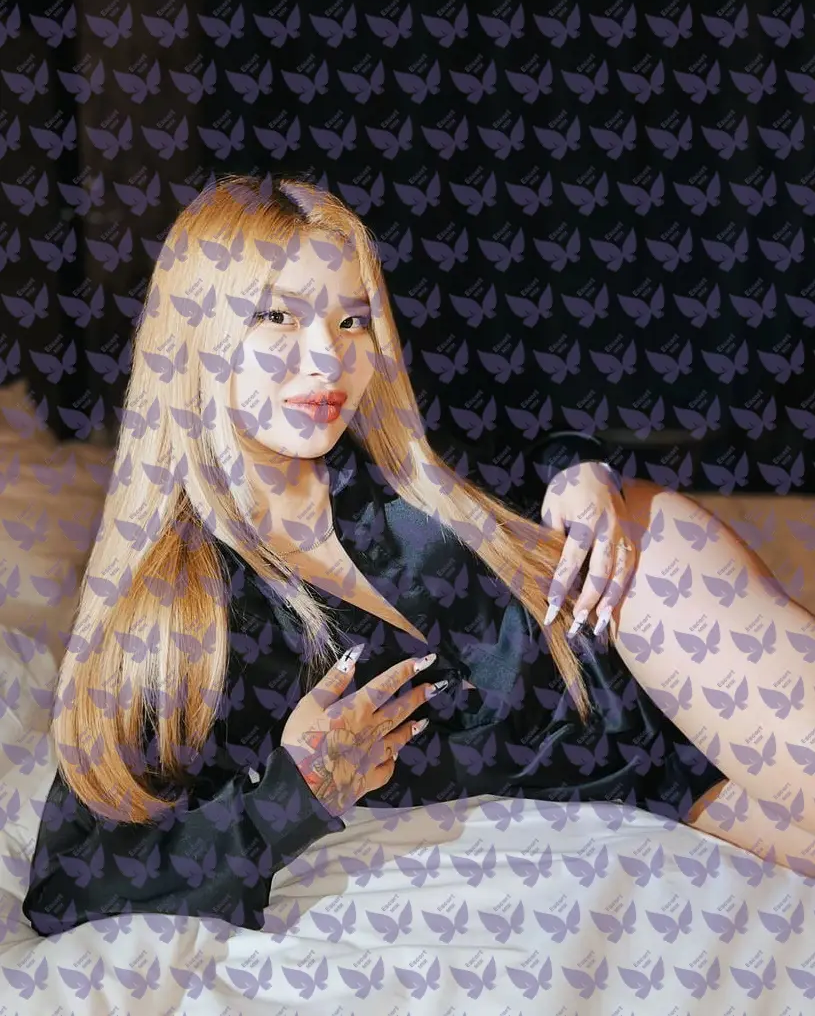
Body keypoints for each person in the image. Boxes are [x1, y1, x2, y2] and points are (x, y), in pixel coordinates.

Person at [21, 175, 810, 937]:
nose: (327, 359)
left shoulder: (393, 458)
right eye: (278, 316)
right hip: (652, 780)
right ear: (198, 332)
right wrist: (291, 798)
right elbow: (69, 880)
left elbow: (528, 439)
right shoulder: (184, 608)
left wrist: (577, 468)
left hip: (640, 588)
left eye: (351, 321)